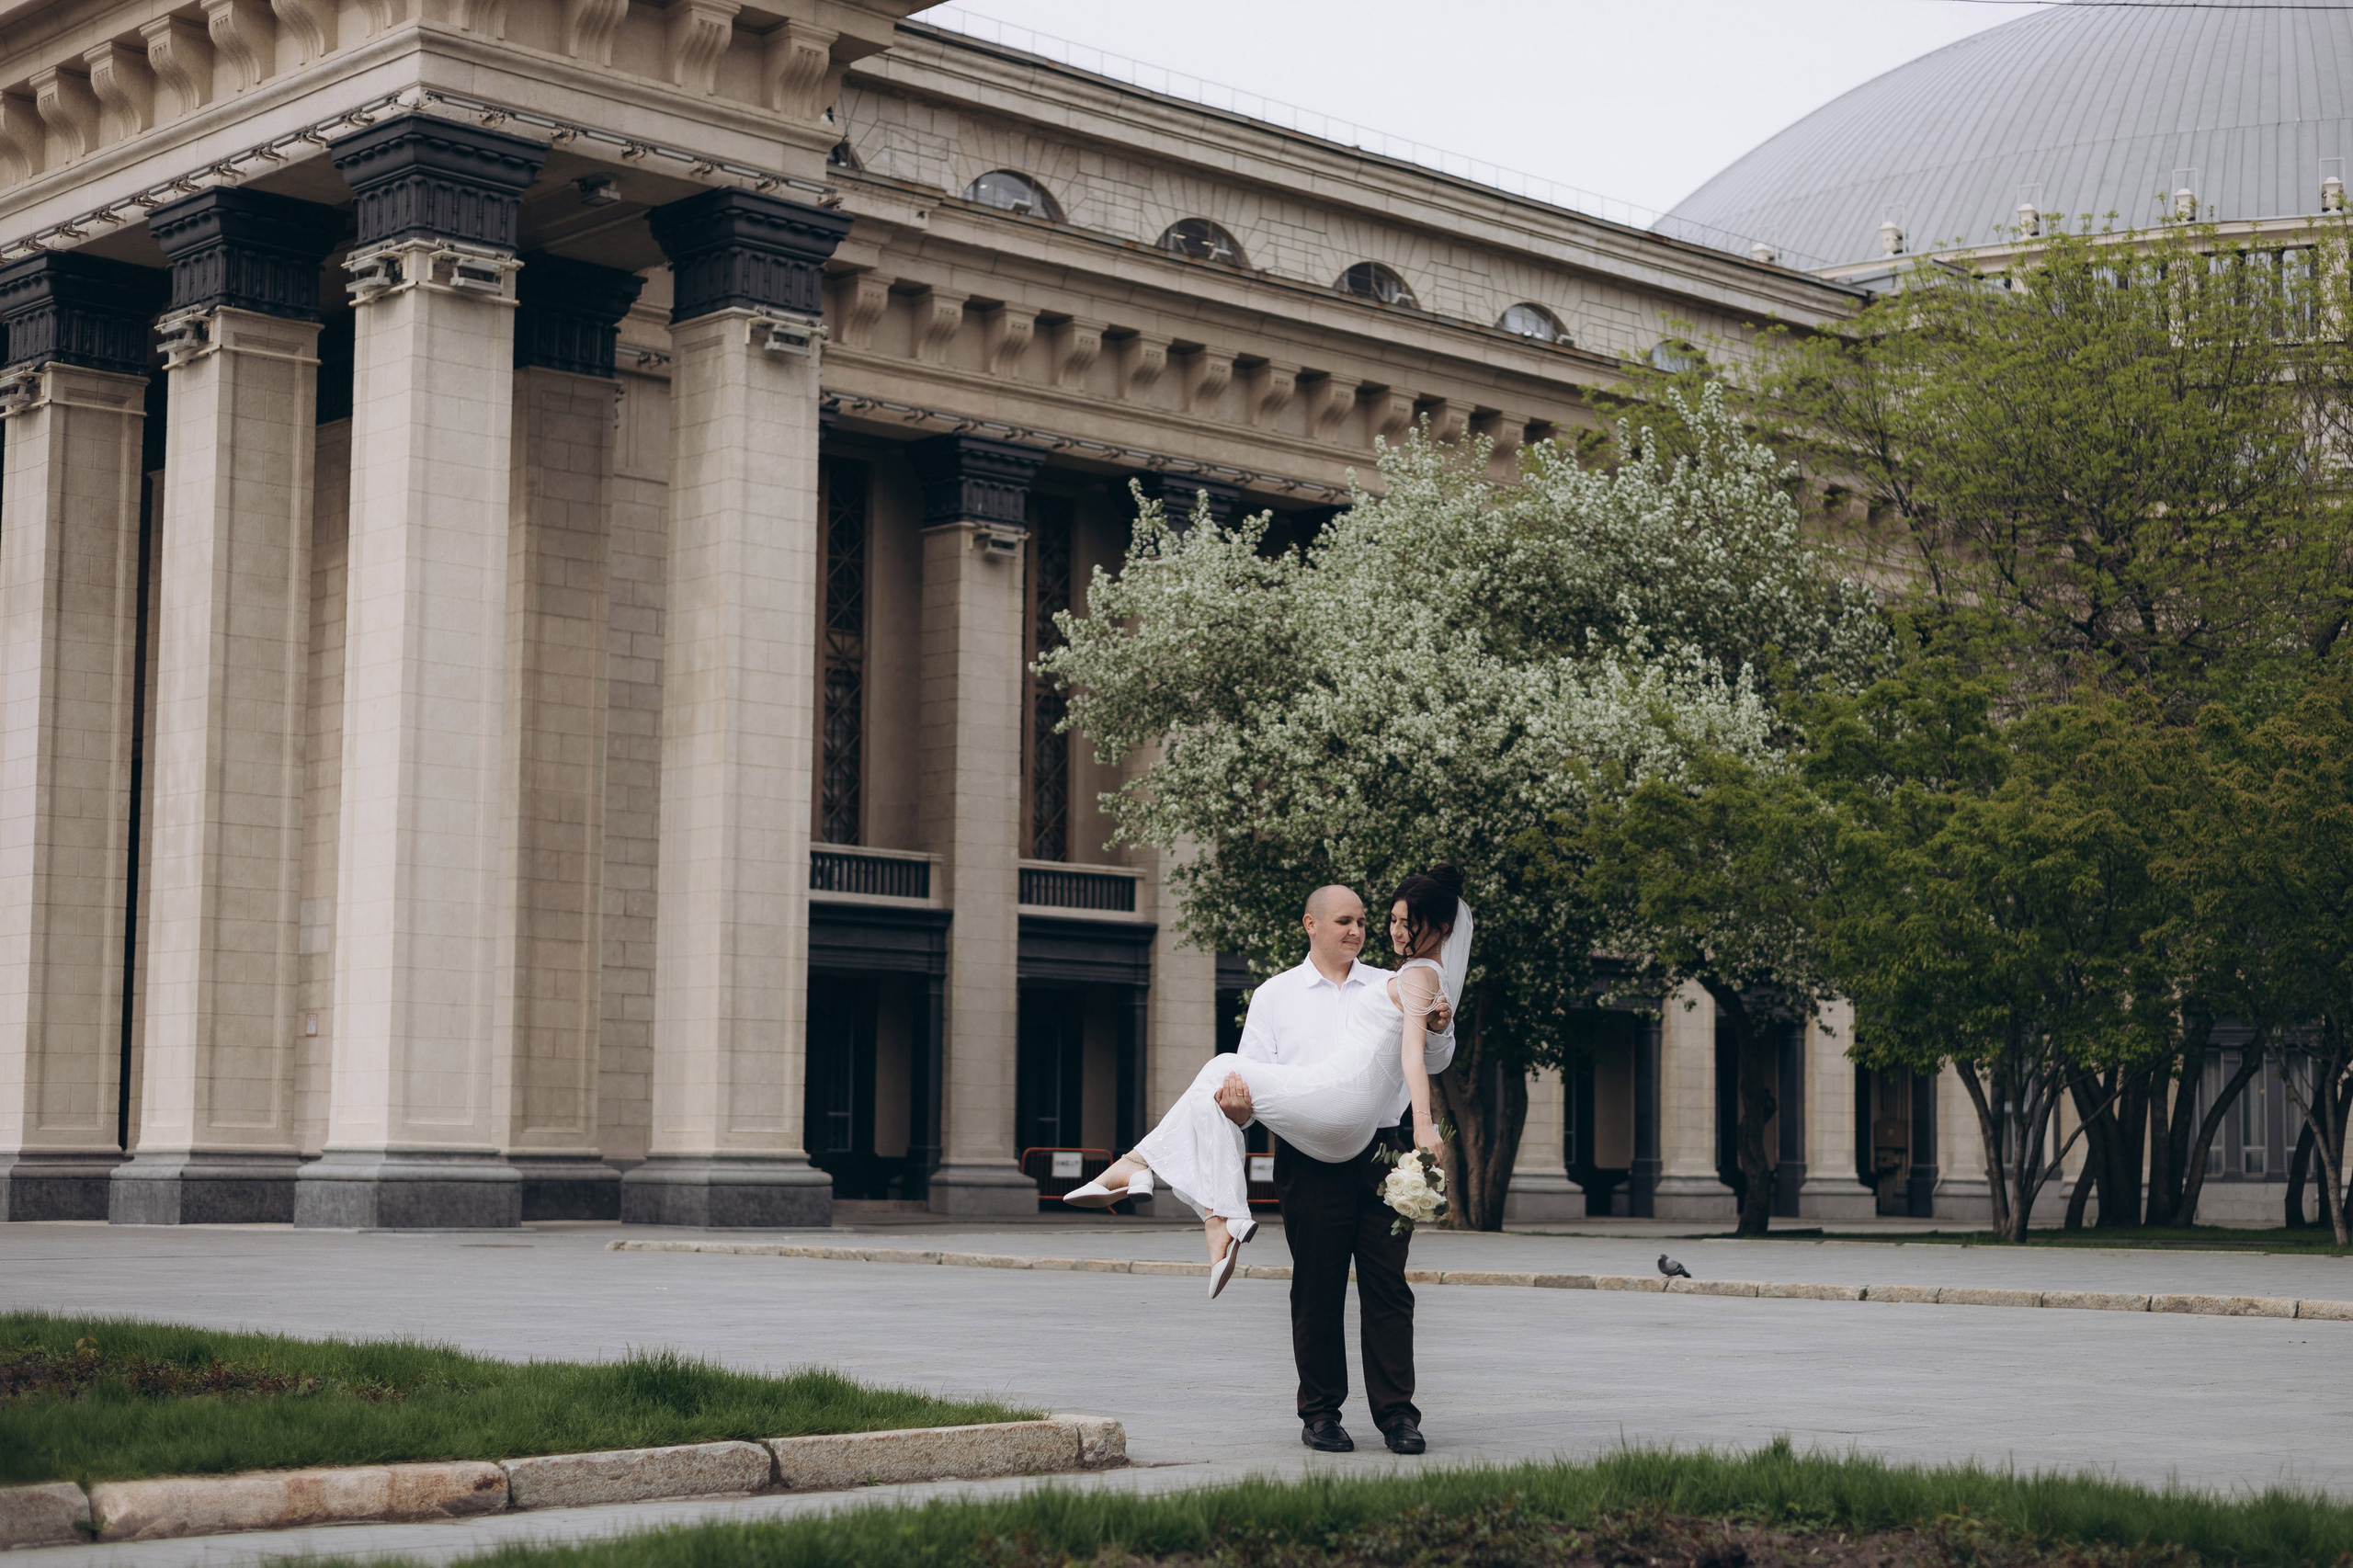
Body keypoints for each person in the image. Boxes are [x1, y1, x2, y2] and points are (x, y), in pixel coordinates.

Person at [1064, 868, 1471, 1456]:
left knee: (1389, 1288)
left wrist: (1441, 1026)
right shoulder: (1275, 995)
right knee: (1316, 1287)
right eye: (1346, 921)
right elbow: (1250, 1087)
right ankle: (1321, 1414)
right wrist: (1236, 1109)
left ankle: (1397, 1416)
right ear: (1311, 925)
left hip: (1382, 1152)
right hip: (1308, 1155)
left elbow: (1431, 1059)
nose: (1359, 931)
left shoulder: (1394, 978)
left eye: (1363, 921)